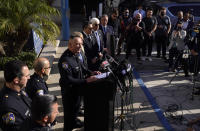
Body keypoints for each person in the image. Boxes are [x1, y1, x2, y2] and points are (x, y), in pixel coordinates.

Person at [58, 32, 116, 131]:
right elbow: (68, 79)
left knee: (75, 115)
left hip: (79, 91)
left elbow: (83, 68)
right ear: (70, 45)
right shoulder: (65, 60)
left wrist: (92, 73)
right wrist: (86, 80)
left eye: (81, 44)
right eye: (77, 44)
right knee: (69, 119)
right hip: (70, 94)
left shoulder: (77, 54)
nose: (80, 46)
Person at [0, 60, 31, 131]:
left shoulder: (20, 90)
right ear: (16, 80)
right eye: (27, 76)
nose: (29, 78)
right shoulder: (8, 107)